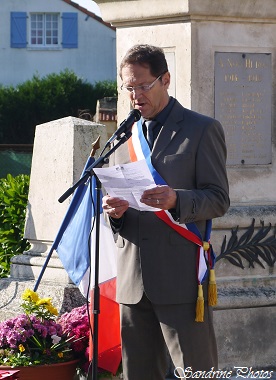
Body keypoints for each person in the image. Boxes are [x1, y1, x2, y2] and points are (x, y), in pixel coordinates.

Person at [102, 44, 230, 380]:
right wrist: (114, 214)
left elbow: (218, 199)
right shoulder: (123, 136)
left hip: (180, 281)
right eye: (129, 88)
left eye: (143, 86)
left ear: (166, 80)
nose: (135, 96)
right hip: (132, 280)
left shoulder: (201, 129)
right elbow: (120, 200)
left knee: (197, 373)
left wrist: (176, 200)